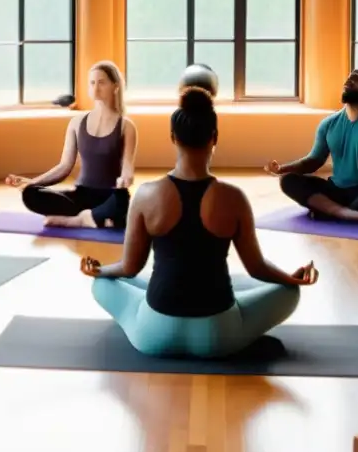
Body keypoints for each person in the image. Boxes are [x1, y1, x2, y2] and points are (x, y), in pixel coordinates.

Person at [79, 86, 319, 358]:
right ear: (214, 138)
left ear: (172, 137)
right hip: (219, 335)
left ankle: (127, 301)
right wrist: (290, 279)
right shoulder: (234, 198)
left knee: (101, 284)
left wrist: (100, 271)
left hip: (155, 333)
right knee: (289, 293)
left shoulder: (146, 196)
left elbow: (130, 267)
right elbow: (256, 268)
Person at [6, 61, 137, 229]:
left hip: (110, 196)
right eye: (92, 82)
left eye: (102, 82)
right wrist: (32, 183)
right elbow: (64, 167)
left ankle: (82, 219)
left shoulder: (126, 126)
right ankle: (96, 218)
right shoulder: (76, 123)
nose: (96, 87)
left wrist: (126, 178)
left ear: (115, 86)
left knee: (122, 198)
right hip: (80, 196)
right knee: (30, 194)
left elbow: (127, 166)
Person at [266, 69, 358, 227]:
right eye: (347, 79)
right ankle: (349, 214)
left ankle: (327, 211)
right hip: (335, 190)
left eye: (355, 79)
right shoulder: (329, 124)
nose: (347, 82)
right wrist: (281, 169)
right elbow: (314, 160)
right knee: (288, 180)